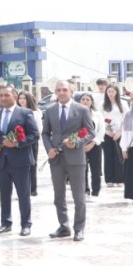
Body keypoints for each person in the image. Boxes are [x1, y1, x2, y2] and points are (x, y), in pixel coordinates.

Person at [42, 79, 94, 241]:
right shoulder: (50, 110)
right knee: (59, 196)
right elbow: (45, 133)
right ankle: (63, 226)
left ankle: (79, 228)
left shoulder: (82, 110)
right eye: (58, 90)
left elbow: (90, 133)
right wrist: (49, 148)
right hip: (56, 158)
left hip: (76, 158)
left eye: (64, 90)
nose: (61, 93)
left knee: (79, 196)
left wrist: (76, 142)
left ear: (72, 91)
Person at [0, 85, 38, 236]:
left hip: (20, 160)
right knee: (4, 193)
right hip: (1, 161)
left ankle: (26, 223)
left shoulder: (25, 113)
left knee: (23, 193)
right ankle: (6, 222)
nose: (3, 98)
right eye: (1, 95)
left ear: (14, 96)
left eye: (6, 95)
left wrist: (17, 143)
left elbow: (34, 135)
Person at [101, 84, 128, 188]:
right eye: (109, 91)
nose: (111, 94)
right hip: (106, 134)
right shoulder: (102, 104)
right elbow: (99, 119)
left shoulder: (123, 104)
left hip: (120, 133)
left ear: (117, 92)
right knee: (108, 156)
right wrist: (107, 131)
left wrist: (119, 132)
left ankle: (120, 179)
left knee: (119, 156)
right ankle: (109, 179)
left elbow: (126, 119)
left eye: (113, 91)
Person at [17, 91, 41, 197]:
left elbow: (39, 129)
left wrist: (29, 139)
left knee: (32, 165)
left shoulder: (35, 113)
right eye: (20, 98)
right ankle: (22, 189)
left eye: (24, 98)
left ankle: (33, 189)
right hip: (18, 143)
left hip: (31, 142)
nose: (21, 100)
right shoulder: (16, 112)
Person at [80, 92, 104, 197]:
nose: (85, 101)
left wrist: (93, 143)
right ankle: (85, 190)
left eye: (87, 100)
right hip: (80, 145)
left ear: (92, 102)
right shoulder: (75, 114)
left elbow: (101, 130)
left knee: (96, 169)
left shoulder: (98, 115)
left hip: (95, 145)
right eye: (83, 99)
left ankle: (96, 191)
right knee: (82, 169)